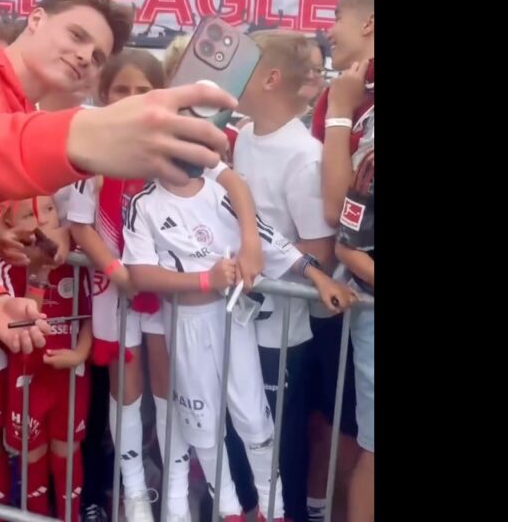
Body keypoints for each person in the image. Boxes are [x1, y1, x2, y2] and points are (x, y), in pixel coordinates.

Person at [0, 0, 238, 354]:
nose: (85, 56)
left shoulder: (15, 107)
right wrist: (77, 138)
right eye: (76, 35)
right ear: (36, 18)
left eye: (98, 56)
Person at [67, 48, 264, 522]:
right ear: (103, 94)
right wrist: (117, 272)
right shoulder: (90, 145)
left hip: (169, 292)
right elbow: (80, 225)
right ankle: (135, 494)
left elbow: (229, 179)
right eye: (121, 90)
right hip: (116, 289)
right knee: (125, 391)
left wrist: (252, 241)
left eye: (143, 90)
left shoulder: (176, 139)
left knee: (172, 387)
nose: (132, 98)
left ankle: (175, 491)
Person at [121, 157, 355, 522]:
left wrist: (320, 278)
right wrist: (204, 281)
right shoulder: (144, 205)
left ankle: (272, 509)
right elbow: (140, 273)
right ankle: (228, 510)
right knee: (204, 422)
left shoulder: (220, 195)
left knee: (253, 418)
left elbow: (270, 240)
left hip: (231, 321)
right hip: (185, 325)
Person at [231, 30, 340, 522]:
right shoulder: (245, 137)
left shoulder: (306, 156)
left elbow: (320, 255)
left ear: (270, 78)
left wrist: (260, 255)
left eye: (241, 64)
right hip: (237, 323)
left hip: (281, 334)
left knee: (280, 451)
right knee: (240, 439)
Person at [0, 195, 95, 519]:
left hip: (70, 378)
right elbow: (20, 332)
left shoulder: (76, 261)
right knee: (32, 455)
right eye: (29, 215)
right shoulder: (3, 266)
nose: (43, 221)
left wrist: (80, 354)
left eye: (47, 210)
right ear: (9, 228)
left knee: (68, 451)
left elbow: (91, 316)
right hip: (27, 378)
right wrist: (37, 274)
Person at [314, 0, 374, 522]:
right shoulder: (356, 92)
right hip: (345, 292)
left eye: (336, 17)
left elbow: (335, 210)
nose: (328, 30)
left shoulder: (350, 99)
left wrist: (337, 111)